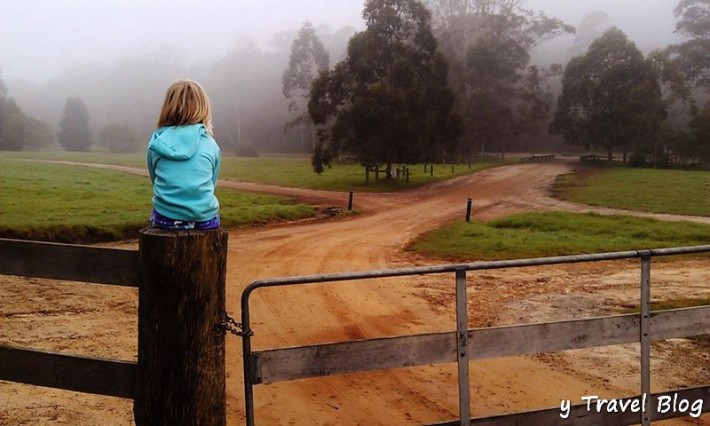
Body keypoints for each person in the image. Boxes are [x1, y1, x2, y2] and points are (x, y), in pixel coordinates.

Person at [147, 79, 221, 230]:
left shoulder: (156, 143)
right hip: (205, 220)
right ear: (204, 107)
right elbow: (211, 184)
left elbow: (155, 180)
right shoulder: (211, 145)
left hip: (165, 219)